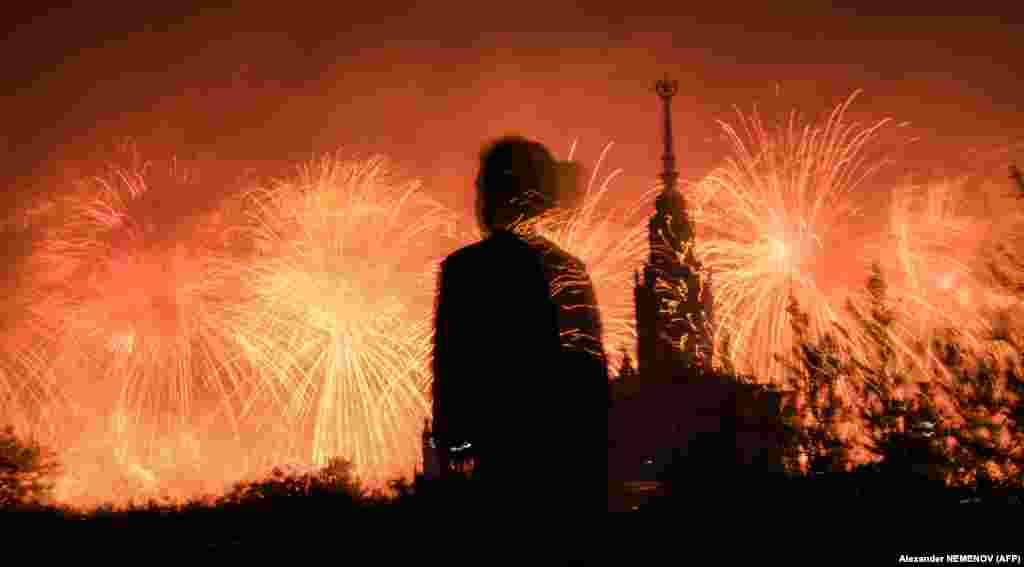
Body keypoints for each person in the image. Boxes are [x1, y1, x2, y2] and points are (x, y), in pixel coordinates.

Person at [431, 135, 609, 514]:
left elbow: (450, 377)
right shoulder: (569, 269)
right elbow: (591, 381)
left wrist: (456, 452)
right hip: (559, 472)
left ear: (498, 194)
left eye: (482, 185)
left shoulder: (465, 270)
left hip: (496, 472)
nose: (476, 195)